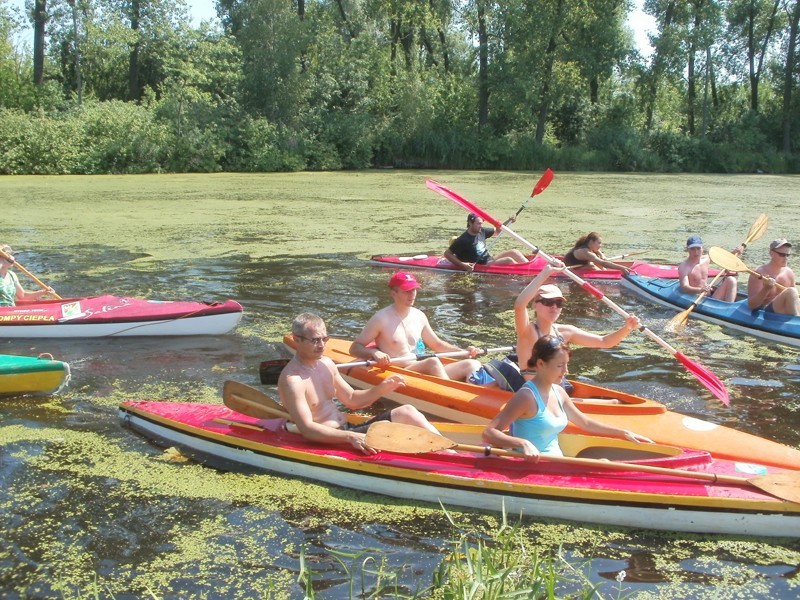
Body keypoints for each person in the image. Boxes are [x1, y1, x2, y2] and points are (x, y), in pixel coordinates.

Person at [278, 312, 446, 455]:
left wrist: (381, 389)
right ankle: (450, 456)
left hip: (347, 429)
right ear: (296, 339)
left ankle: (449, 451)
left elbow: (351, 399)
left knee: (407, 411)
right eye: (315, 340)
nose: (322, 345)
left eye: (324, 339)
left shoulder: (326, 364)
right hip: (329, 439)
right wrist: (350, 437)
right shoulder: (292, 381)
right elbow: (307, 430)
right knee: (385, 429)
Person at [482, 335, 653, 461]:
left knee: (603, 461)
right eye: (559, 366)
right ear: (541, 364)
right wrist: (522, 443)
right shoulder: (526, 396)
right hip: (533, 467)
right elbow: (489, 433)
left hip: (558, 462)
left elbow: (585, 423)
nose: (566, 371)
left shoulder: (558, 391)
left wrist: (622, 432)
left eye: (566, 365)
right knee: (602, 463)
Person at [498, 262, 640, 392]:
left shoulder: (565, 332)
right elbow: (519, 305)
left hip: (556, 390)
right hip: (534, 393)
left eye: (559, 303)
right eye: (548, 302)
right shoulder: (528, 332)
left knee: (614, 401)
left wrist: (627, 328)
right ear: (535, 305)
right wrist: (545, 273)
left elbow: (604, 342)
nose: (554, 306)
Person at [350, 271, 487, 383]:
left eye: (414, 289)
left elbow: (437, 345)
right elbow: (355, 348)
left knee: (472, 364)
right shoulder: (380, 319)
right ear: (393, 293)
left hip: (420, 366)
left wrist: (464, 352)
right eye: (406, 291)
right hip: (400, 371)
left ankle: (477, 396)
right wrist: (373, 353)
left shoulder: (419, 315)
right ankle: (454, 396)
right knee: (433, 362)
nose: (412, 294)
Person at [444, 212, 529, 272]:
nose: (481, 226)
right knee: (508, 260)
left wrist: (509, 220)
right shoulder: (463, 239)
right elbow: (447, 254)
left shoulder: (482, 231)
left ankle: (529, 268)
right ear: (470, 223)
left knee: (514, 252)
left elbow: (498, 231)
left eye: (481, 223)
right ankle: (524, 274)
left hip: (489, 259)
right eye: (478, 224)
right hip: (482, 265)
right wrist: (463, 265)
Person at [677, 235, 740, 302]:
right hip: (696, 299)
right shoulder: (684, 267)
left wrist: (736, 251)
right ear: (688, 249)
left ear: (702, 248)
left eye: (698, 248)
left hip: (710, 297)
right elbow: (685, 287)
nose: (696, 252)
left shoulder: (706, 259)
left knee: (732, 280)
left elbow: (724, 257)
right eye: (692, 249)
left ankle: (728, 306)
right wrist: (700, 290)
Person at [747, 239, 800, 315]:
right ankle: (797, 323)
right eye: (782, 255)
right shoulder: (759, 273)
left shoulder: (789, 273)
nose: (786, 258)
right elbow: (752, 305)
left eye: (787, 255)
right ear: (771, 253)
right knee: (791, 291)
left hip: (784, 309)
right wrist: (766, 288)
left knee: (793, 293)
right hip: (765, 311)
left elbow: (795, 299)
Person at [563, 232, 630, 273]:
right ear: (591, 242)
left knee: (597, 262)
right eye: (599, 243)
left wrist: (601, 255)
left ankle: (605, 272)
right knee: (591, 266)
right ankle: (604, 275)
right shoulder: (586, 252)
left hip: (581, 263)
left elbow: (598, 251)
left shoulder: (589, 245)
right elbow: (603, 263)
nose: (600, 245)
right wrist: (621, 268)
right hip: (569, 266)